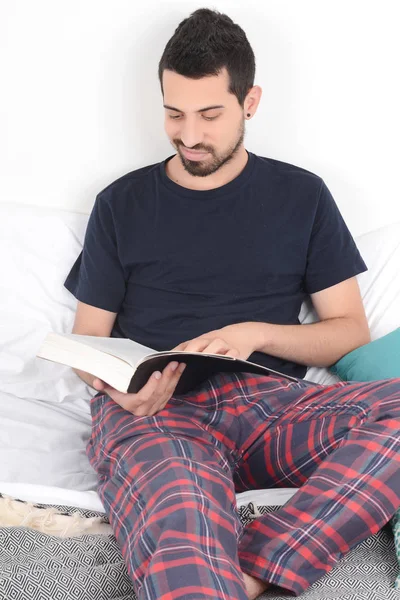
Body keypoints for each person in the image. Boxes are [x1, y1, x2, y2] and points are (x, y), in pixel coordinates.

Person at [64, 8, 400, 600]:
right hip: (158, 411)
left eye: (210, 114)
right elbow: (87, 339)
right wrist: (117, 388)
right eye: (174, 113)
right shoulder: (120, 203)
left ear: (251, 102)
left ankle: (257, 566)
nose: (189, 135)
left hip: (274, 408)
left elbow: (348, 331)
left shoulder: (302, 195)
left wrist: (254, 334)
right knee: (180, 517)